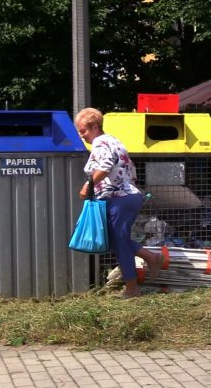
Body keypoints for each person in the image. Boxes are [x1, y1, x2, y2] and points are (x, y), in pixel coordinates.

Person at [74, 107, 162, 298]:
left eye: (84, 131)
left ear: (95, 126)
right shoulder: (114, 140)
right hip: (126, 197)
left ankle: (132, 288)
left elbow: (105, 167)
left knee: (119, 243)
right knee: (115, 240)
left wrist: (88, 185)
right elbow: (129, 170)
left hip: (119, 200)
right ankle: (151, 258)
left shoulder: (99, 143)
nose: (82, 136)